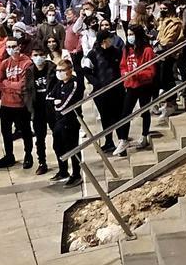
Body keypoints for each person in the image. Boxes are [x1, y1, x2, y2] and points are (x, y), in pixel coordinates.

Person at [113, 25, 156, 157]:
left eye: (132, 34)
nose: (130, 37)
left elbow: (151, 71)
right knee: (125, 113)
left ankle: (144, 134)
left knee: (144, 110)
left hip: (144, 85)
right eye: (128, 34)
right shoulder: (127, 49)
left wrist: (137, 74)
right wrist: (125, 73)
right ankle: (123, 139)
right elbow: (122, 65)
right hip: (131, 85)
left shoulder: (148, 50)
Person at [0, 37, 34, 170]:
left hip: (21, 104)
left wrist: (7, 84)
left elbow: (22, 86)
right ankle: (9, 155)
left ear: (19, 46)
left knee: (26, 131)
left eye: (13, 46)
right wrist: (8, 85)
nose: (11, 49)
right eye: (8, 46)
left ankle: (28, 155)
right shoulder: (5, 63)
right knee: (6, 132)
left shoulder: (27, 62)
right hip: (6, 104)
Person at [47, 59, 85, 187]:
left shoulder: (74, 83)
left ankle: (76, 174)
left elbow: (64, 105)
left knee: (72, 147)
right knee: (57, 145)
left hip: (71, 120)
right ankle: (63, 171)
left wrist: (57, 103)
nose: (59, 73)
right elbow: (49, 97)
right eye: (58, 71)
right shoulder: (59, 83)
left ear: (70, 70)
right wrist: (56, 102)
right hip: (59, 120)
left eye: (62, 70)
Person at [84, 30, 123, 152]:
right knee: (105, 117)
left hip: (117, 90)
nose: (112, 40)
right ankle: (109, 141)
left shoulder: (117, 52)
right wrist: (97, 84)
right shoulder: (92, 54)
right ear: (103, 41)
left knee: (118, 117)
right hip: (101, 92)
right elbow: (86, 71)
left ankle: (122, 141)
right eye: (109, 38)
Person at [29, 45, 56, 175]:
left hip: (51, 108)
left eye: (40, 55)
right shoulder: (29, 71)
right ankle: (42, 162)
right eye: (35, 55)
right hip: (37, 108)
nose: (38, 58)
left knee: (57, 135)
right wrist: (29, 107)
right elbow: (26, 90)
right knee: (40, 138)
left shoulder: (52, 69)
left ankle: (62, 162)